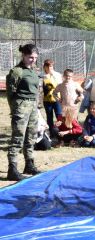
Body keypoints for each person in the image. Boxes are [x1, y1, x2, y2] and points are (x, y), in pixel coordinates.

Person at [6, 44, 42, 181]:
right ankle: (12, 169)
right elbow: (10, 93)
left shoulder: (32, 71)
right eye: (30, 57)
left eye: (35, 58)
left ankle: (29, 164)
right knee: (17, 138)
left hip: (33, 107)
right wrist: (15, 109)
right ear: (23, 56)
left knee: (30, 137)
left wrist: (37, 107)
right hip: (21, 106)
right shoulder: (17, 71)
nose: (33, 60)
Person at [42, 59, 63, 137]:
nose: (49, 67)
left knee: (59, 116)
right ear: (44, 67)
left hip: (57, 99)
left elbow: (60, 86)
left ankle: (61, 133)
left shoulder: (57, 75)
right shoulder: (42, 76)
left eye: (51, 66)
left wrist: (52, 75)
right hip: (47, 100)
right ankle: (51, 133)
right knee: (49, 117)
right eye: (47, 66)